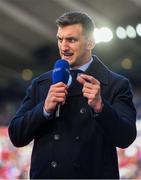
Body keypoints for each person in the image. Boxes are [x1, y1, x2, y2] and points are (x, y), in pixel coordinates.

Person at [8, 11, 137, 179]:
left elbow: (126, 138)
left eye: (71, 40)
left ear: (90, 42)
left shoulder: (116, 84)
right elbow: (17, 136)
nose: (63, 47)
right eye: (60, 39)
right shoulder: (41, 83)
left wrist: (101, 108)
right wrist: (44, 109)